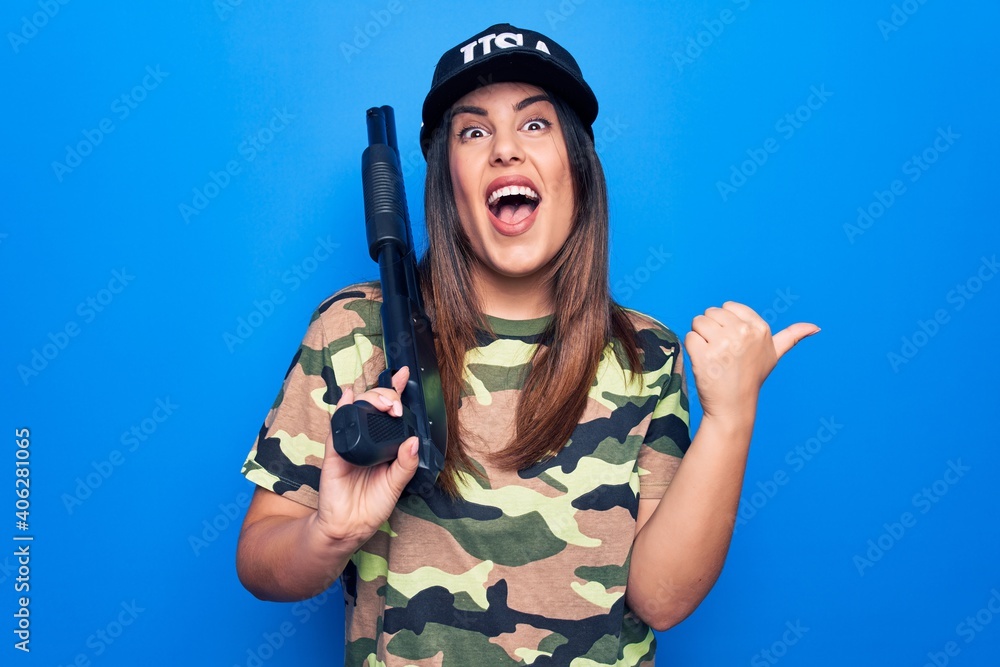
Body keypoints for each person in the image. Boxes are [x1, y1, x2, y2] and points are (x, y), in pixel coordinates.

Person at [236, 22, 818, 666]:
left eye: (535, 125)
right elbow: (260, 564)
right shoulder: (354, 330)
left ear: (577, 164)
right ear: (445, 179)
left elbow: (661, 601)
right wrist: (330, 533)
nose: (506, 150)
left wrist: (732, 418)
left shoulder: (647, 354)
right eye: (474, 131)